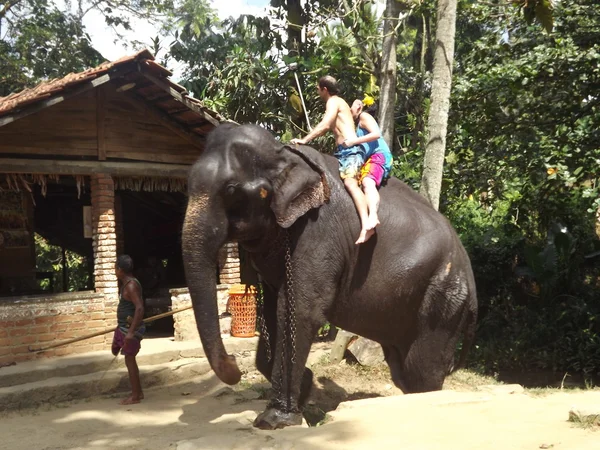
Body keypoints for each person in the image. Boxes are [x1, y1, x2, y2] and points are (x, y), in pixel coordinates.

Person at [290, 76, 375, 244]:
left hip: (351, 151)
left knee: (350, 183)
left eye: (318, 89)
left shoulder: (333, 102)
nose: (317, 91)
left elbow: (326, 125)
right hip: (343, 152)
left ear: (325, 90)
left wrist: (305, 140)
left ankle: (368, 225)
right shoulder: (340, 103)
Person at [343, 98, 393, 230]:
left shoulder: (365, 116)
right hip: (370, 158)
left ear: (359, 106)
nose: (349, 110)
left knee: (367, 181)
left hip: (379, 155)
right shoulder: (358, 124)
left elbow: (376, 134)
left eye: (351, 107)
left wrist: (354, 141)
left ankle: (373, 216)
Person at [112, 254, 145, 405]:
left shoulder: (131, 285)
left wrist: (131, 333)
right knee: (123, 353)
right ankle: (139, 392)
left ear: (121, 270)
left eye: (115, 268)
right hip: (124, 327)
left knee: (130, 360)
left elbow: (139, 308)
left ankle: (135, 396)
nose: (114, 271)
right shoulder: (126, 284)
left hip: (131, 329)